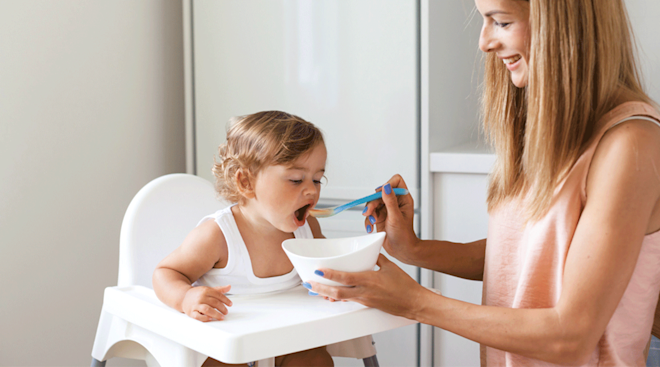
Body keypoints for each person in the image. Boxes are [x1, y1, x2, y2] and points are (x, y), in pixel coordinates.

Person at [304, 0, 660, 366]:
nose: (484, 42)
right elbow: (528, 254)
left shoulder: (629, 144)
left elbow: (570, 335)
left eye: (501, 22)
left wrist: (414, 302)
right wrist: (413, 249)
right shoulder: (553, 130)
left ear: (565, 25)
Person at [153, 111, 334, 367]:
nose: (311, 190)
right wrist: (185, 298)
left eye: (317, 179)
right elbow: (166, 272)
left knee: (314, 360)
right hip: (227, 345)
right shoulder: (217, 236)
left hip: (289, 340)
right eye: (296, 179)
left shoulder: (308, 229)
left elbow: (328, 270)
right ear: (246, 182)